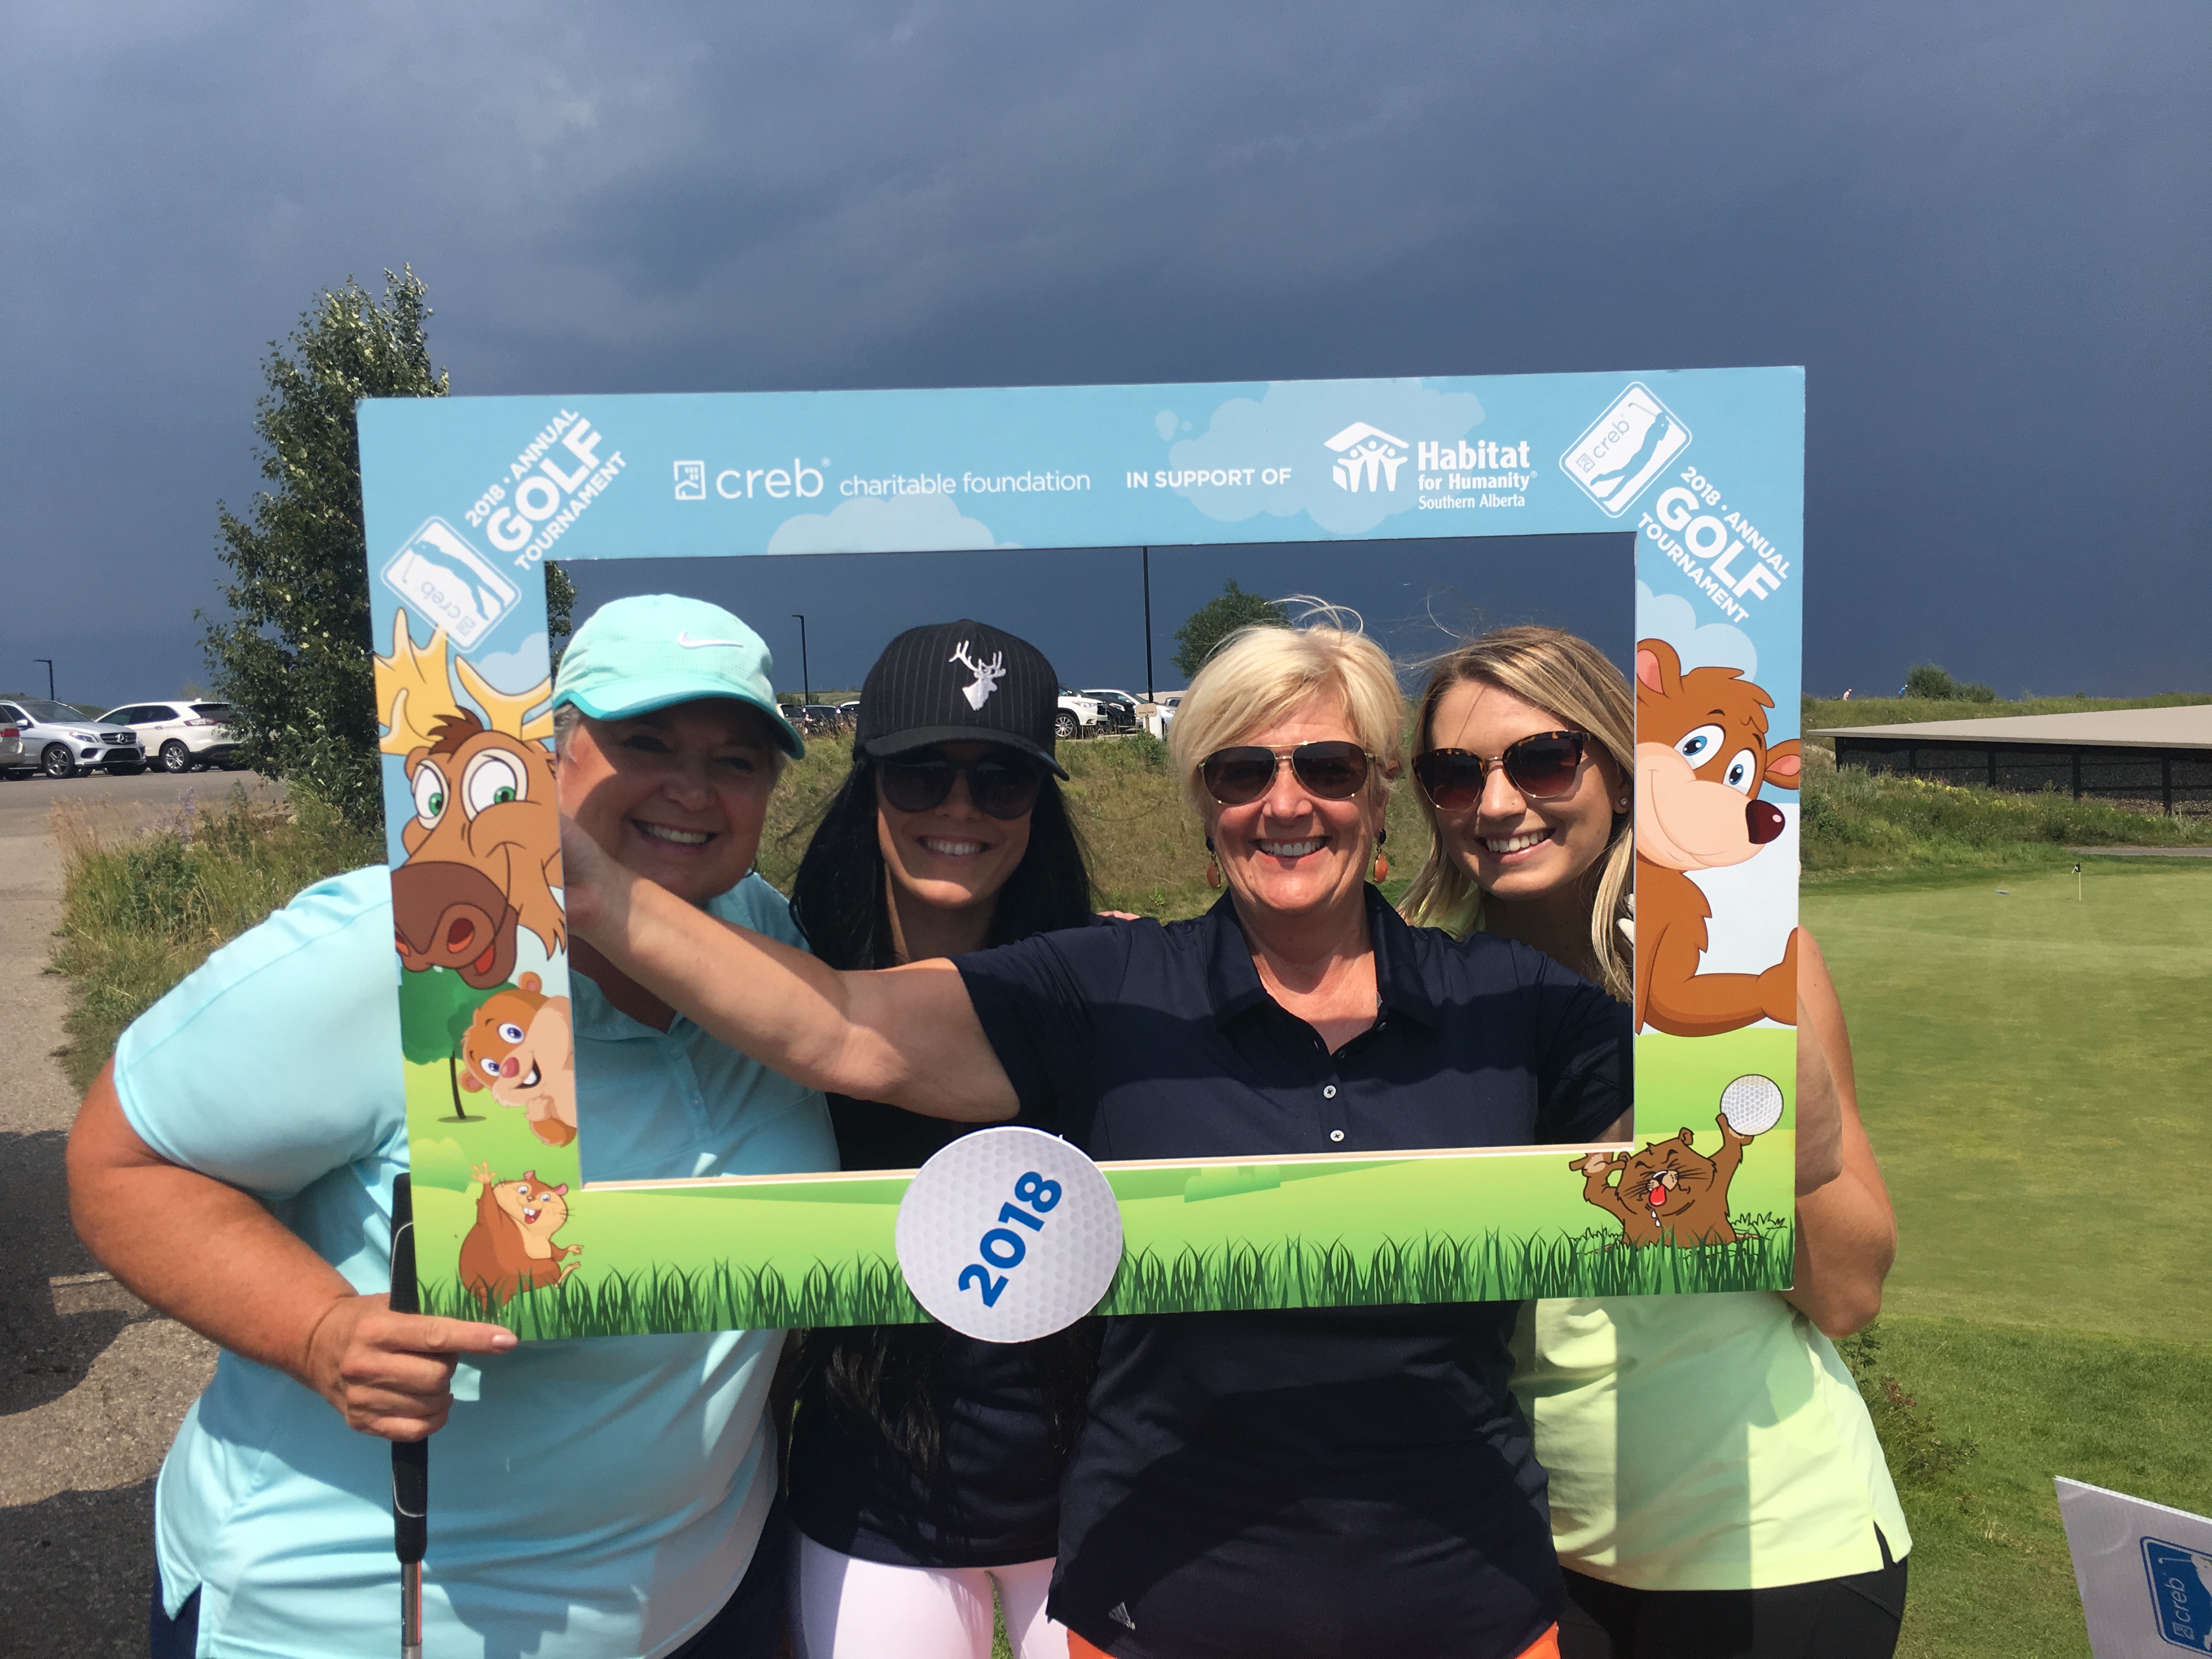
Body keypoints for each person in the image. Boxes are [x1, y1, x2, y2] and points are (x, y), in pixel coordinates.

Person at [556, 605, 1633, 1659]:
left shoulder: (1513, 1003)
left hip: (1468, 1602)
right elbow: (844, 1029)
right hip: (1168, 1606)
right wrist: (582, 883)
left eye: (1329, 768)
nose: (1285, 802)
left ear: (1383, 789)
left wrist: (1714, 866)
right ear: (1204, 802)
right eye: (1240, 771)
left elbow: (1735, 1162)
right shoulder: (1110, 988)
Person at [66, 595, 838, 1659]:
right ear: (550, 753)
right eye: (644, 742)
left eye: (739, 760)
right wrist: (322, 1331)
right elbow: (123, 1160)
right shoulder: (406, 942)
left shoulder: (762, 936)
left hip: (706, 1602)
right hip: (369, 1616)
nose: (693, 789)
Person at [1400, 625, 1910, 1659]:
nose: (1498, 804)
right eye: (1456, 775)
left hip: (1773, 1553)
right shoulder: (1418, 1001)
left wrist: (1736, 1078)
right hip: (1525, 1559)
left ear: (1621, 776)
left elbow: (1849, 1289)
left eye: (1544, 759)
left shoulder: (1759, 965)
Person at [781, 620, 1099, 1659]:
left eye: (1002, 779)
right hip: (873, 1501)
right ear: (868, 784)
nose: (959, 809)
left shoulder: (1112, 986)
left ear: (1038, 803)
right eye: (921, 774)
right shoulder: (780, 991)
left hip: (1097, 1504)